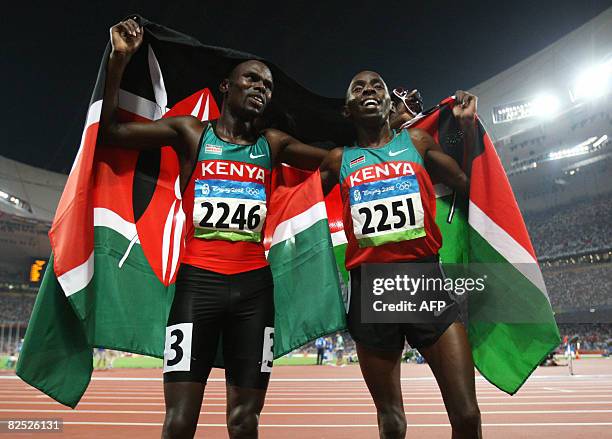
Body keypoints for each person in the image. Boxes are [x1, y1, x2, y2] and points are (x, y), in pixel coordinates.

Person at [100, 19, 328, 439]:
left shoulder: (273, 144)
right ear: (227, 86)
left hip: (255, 293)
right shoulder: (191, 133)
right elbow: (112, 131)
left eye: (268, 85)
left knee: (244, 422)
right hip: (196, 288)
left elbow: (336, 161)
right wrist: (118, 61)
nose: (261, 88)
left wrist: (393, 136)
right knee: (179, 421)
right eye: (252, 79)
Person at [319, 71, 481, 438]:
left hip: (425, 283)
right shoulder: (338, 160)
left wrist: (465, 127)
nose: (369, 90)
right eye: (358, 87)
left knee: (467, 416)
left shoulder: (418, 143)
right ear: (348, 110)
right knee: (392, 423)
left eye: (377, 85)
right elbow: (299, 207)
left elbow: (465, 181)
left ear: (390, 104)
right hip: (370, 291)